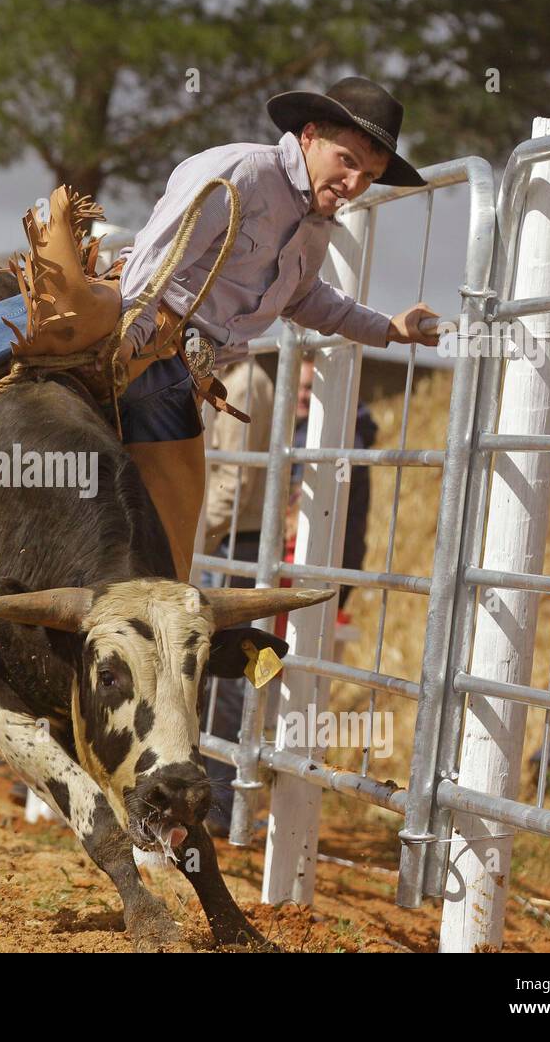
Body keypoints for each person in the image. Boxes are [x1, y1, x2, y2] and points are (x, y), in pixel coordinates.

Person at [0, 76, 440, 584]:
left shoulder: (311, 228)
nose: (355, 184)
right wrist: (126, 333)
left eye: (370, 174)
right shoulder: (240, 173)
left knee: (172, 534)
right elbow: (159, 257)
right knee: (54, 319)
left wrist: (389, 327)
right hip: (142, 322)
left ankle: (144, 621)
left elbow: (308, 300)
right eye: (348, 161)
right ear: (310, 136)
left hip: (182, 378)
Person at [200, 353, 376, 833]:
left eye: (309, 391)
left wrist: (334, 597)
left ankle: (244, 799)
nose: (302, 398)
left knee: (265, 684)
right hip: (277, 579)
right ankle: (233, 791)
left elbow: (349, 534)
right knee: (252, 682)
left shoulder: (344, 447)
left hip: (300, 591)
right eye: (299, 389)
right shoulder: (300, 437)